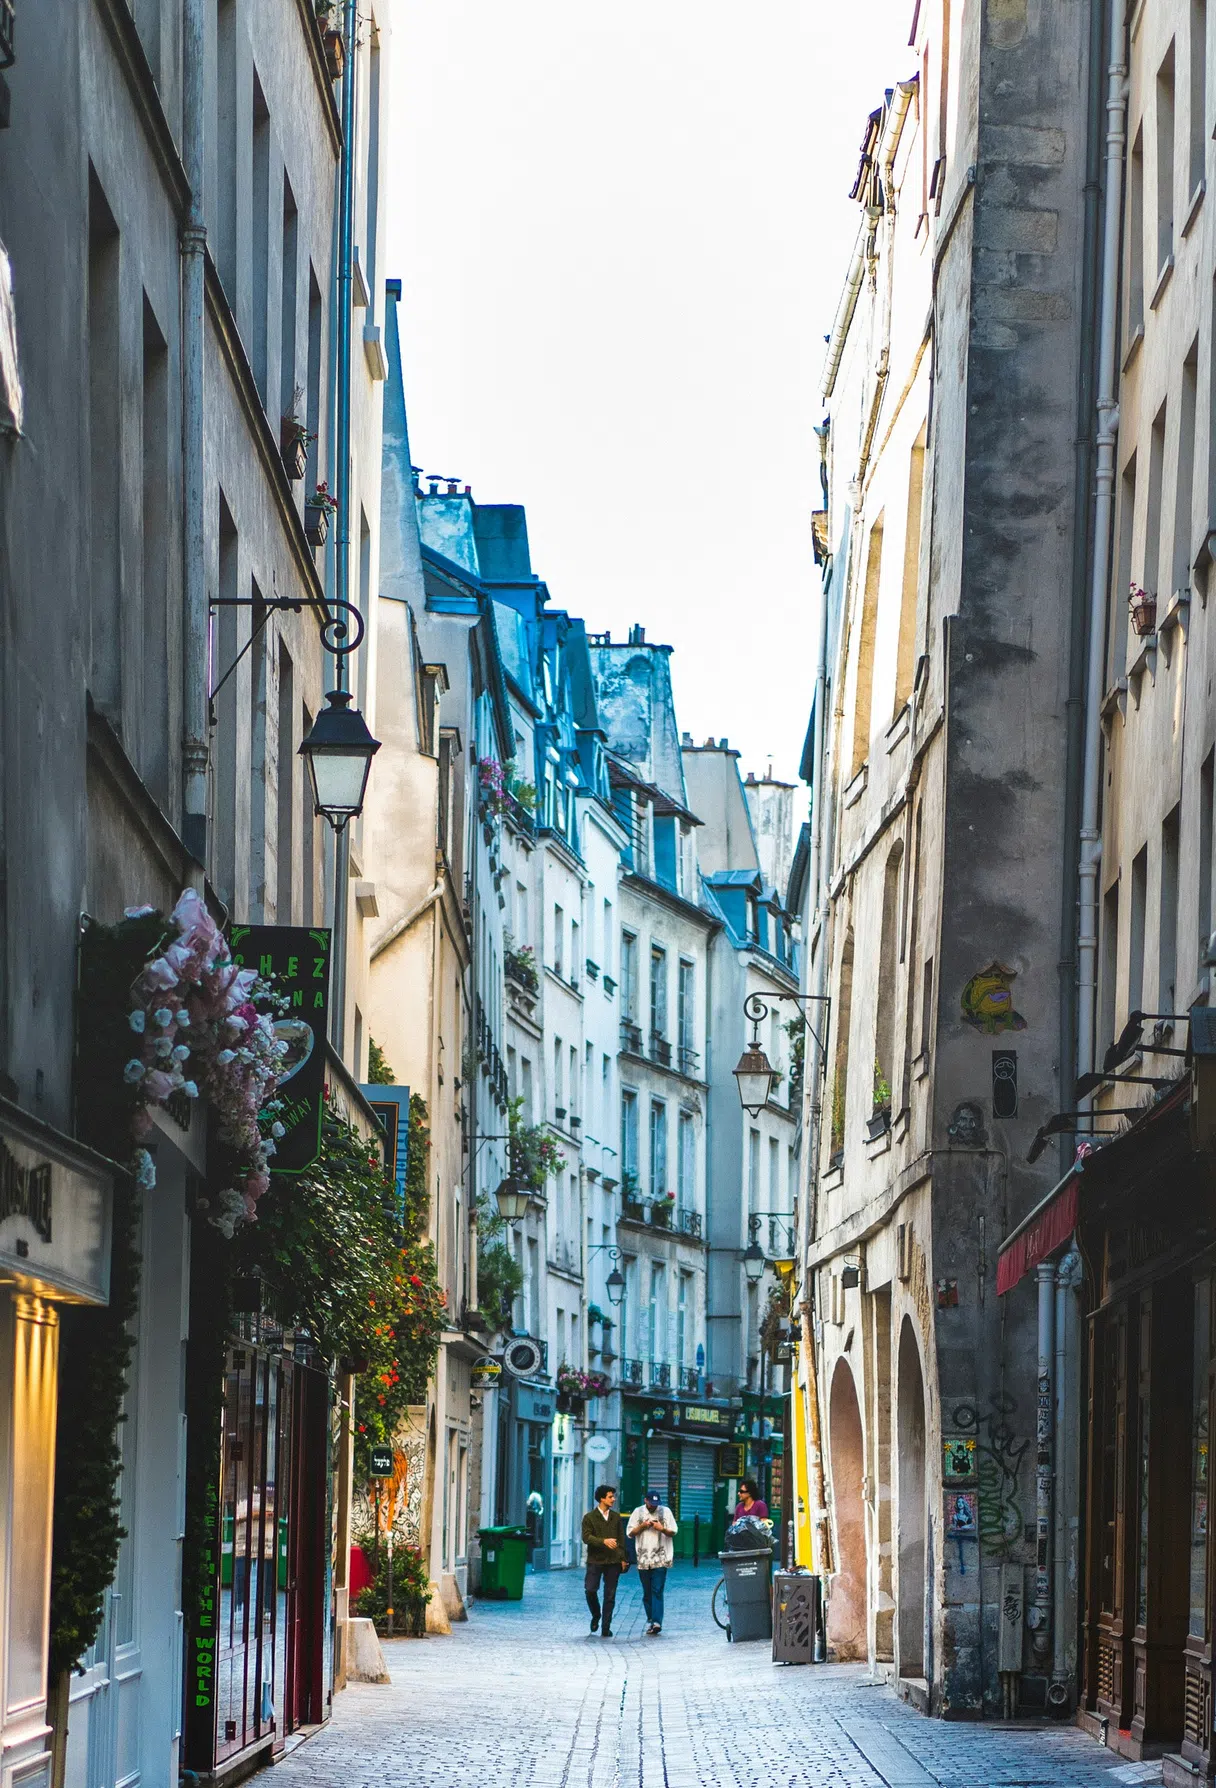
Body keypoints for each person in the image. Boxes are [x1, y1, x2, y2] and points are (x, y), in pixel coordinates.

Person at [627, 1488, 677, 1635]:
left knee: (657, 1590)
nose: (654, 1506)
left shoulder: (665, 1512)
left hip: (661, 1557)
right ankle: (651, 1619)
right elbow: (630, 1533)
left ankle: (657, 1622)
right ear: (646, 1501)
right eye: (651, 1503)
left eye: (656, 1503)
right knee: (647, 1592)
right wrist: (643, 1526)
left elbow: (673, 1531)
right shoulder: (638, 1512)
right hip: (643, 1558)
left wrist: (661, 1528)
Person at [581, 1484, 627, 1637]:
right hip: (595, 1560)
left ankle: (606, 1627)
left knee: (610, 1595)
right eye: (610, 1497)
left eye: (613, 1496)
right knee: (590, 1590)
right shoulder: (589, 1518)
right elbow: (586, 1537)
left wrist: (623, 1559)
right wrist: (603, 1541)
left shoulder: (616, 1517)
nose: (613, 1499)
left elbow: (621, 1540)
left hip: (613, 1562)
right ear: (601, 1498)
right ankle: (596, 1614)